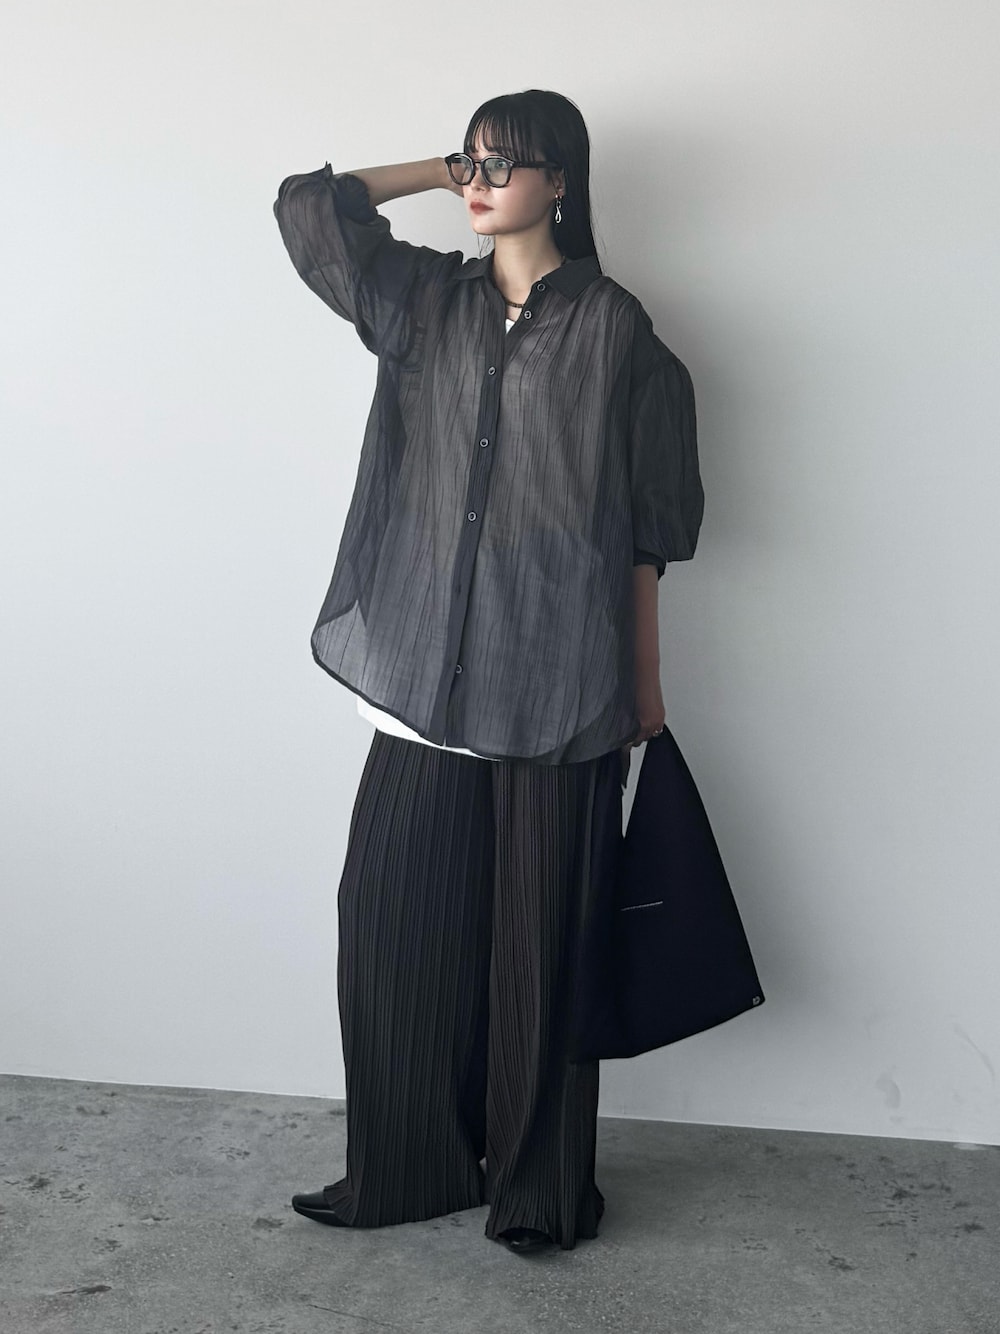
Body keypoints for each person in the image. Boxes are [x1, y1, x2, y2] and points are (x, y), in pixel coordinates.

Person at [273, 89, 703, 1253]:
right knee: (391, 927)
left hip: (559, 677)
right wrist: (434, 164)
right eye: (473, 160)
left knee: (540, 951)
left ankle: (536, 1189)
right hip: (425, 673)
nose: (482, 180)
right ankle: (405, 1165)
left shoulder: (614, 328)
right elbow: (309, 211)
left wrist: (643, 683)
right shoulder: (424, 300)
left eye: (507, 163)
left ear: (562, 180)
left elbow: (646, 529)